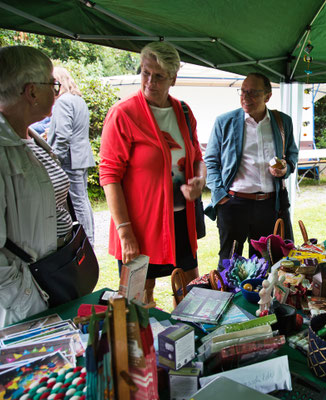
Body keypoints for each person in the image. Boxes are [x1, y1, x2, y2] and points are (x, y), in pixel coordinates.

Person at [99, 41, 205, 304]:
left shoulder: (183, 111)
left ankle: (188, 341)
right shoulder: (123, 114)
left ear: (173, 79)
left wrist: (200, 180)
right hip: (141, 225)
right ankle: (145, 345)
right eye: (145, 72)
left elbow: (197, 157)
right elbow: (109, 175)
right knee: (139, 300)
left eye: (159, 76)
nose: (150, 81)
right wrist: (125, 232)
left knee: (190, 292)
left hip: (180, 221)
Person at [0, 46, 72, 328]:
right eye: (52, 83)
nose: (56, 90)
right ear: (32, 92)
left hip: (53, 282)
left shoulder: (29, 137)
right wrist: (26, 297)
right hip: (24, 305)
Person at [204, 72, 299, 266]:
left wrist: (285, 169)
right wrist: (221, 196)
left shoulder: (282, 122)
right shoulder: (225, 122)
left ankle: (262, 297)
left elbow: (292, 155)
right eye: (243, 92)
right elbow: (211, 161)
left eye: (253, 93)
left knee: (268, 264)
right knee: (230, 265)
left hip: (269, 206)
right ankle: (230, 296)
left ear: (268, 96)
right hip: (233, 204)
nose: (246, 98)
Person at [47, 67, 96, 246]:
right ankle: (88, 237)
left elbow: (63, 135)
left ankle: (86, 240)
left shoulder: (63, 102)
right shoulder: (78, 100)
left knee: (78, 201)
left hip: (70, 158)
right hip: (81, 156)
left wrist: (54, 160)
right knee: (82, 199)